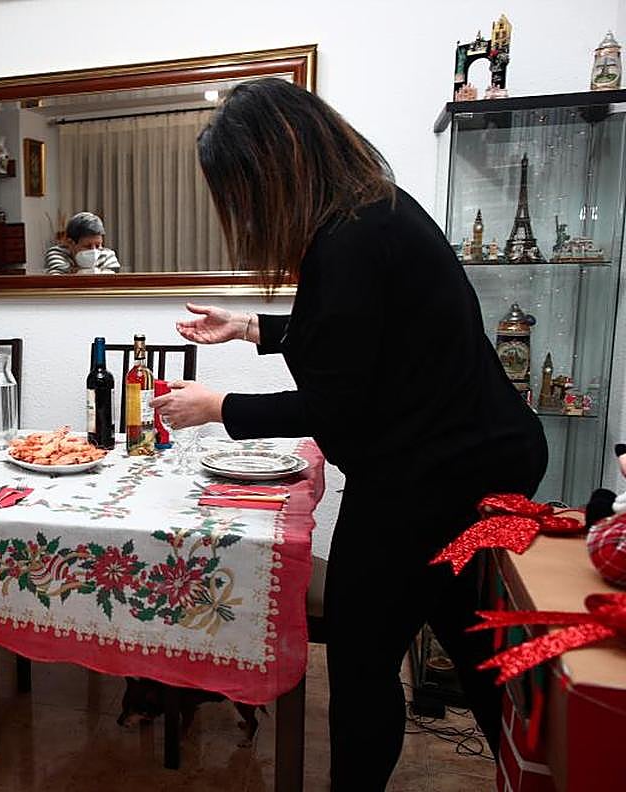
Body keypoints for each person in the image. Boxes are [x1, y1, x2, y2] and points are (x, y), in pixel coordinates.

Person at [151, 79, 546, 790]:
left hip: (430, 480)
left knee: (363, 661)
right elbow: (358, 338)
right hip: (481, 458)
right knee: (477, 649)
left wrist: (218, 407)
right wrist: (249, 326)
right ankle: (537, 771)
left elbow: (335, 405)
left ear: (273, 168)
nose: (247, 210)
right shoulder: (374, 213)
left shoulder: (348, 241)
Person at [44, 211, 121, 274]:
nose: (94, 250)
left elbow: (110, 280)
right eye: (87, 246)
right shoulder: (57, 253)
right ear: (70, 243)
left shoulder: (107, 254)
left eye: (98, 245)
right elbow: (57, 281)